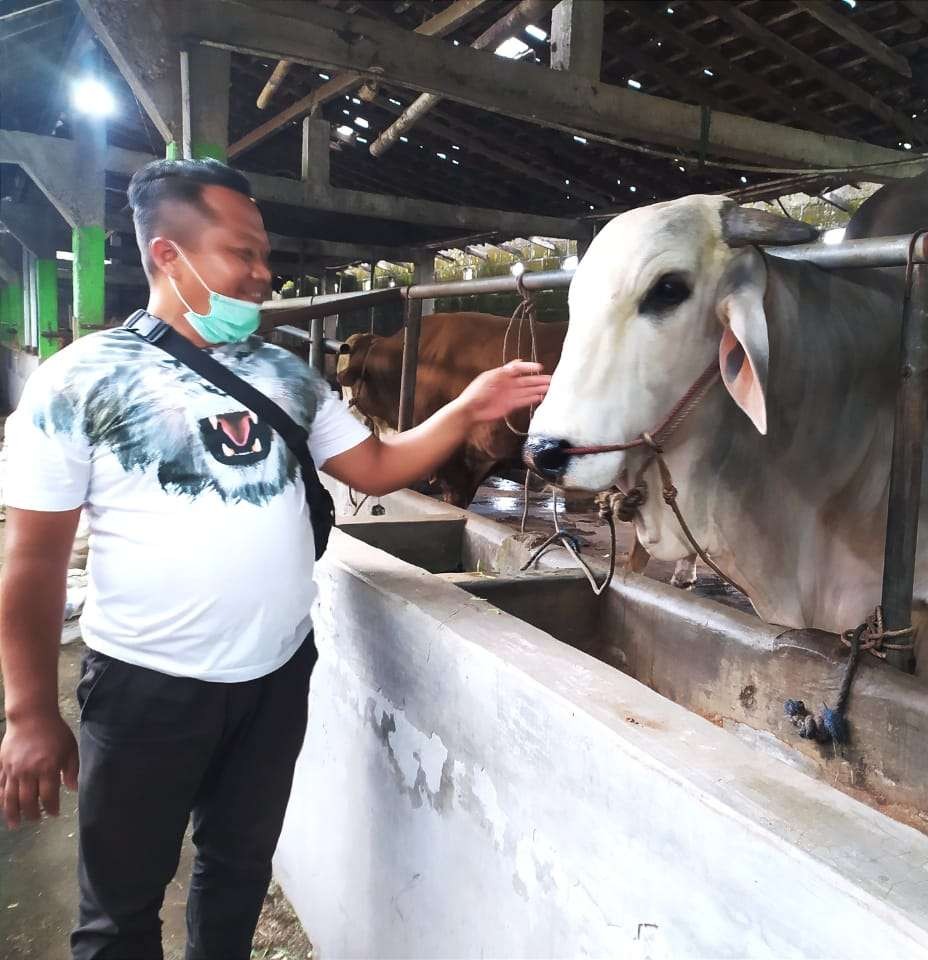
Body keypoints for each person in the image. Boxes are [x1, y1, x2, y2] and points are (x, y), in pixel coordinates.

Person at [0, 158, 550, 959]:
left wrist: (467, 409)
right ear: (168, 256)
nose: (263, 275)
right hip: (145, 686)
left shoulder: (283, 376)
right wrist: (27, 713)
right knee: (118, 910)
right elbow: (35, 561)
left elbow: (378, 468)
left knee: (237, 874)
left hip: (274, 677)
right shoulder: (78, 382)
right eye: (242, 254)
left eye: (265, 256)